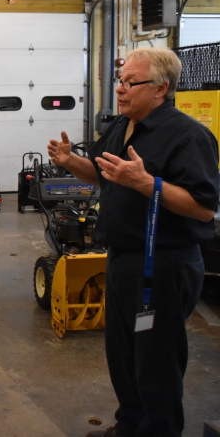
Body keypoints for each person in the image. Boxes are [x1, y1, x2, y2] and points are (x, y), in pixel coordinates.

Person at [47, 47, 219, 437]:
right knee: (124, 355)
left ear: (160, 89)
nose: (120, 90)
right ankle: (130, 428)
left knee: (156, 360)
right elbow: (103, 174)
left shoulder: (189, 136)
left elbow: (204, 209)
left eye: (130, 82)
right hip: (123, 258)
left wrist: (146, 183)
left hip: (163, 264)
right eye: (120, 81)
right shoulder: (121, 126)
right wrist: (71, 161)